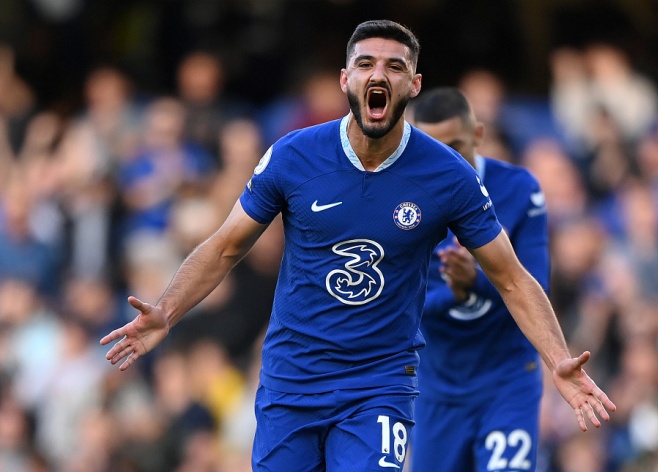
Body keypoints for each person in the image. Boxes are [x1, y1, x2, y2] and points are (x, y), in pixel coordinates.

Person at [101, 19, 615, 471]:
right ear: (345, 79)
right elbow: (224, 247)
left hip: (379, 385)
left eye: (395, 67)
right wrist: (167, 311)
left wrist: (558, 358)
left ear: (413, 85)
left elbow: (511, 277)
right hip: (292, 380)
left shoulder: (448, 176)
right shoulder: (295, 156)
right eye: (366, 64)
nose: (378, 75)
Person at [408, 86, 549, 471]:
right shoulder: (402, 201)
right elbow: (399, 304)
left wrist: (475, 281)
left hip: (507, 381)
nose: (446, 160)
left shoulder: (520, 190)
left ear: (479, 135)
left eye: (455, 145)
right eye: (432, 148)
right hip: (438, 387)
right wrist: (458, 293)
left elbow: (537, 288)